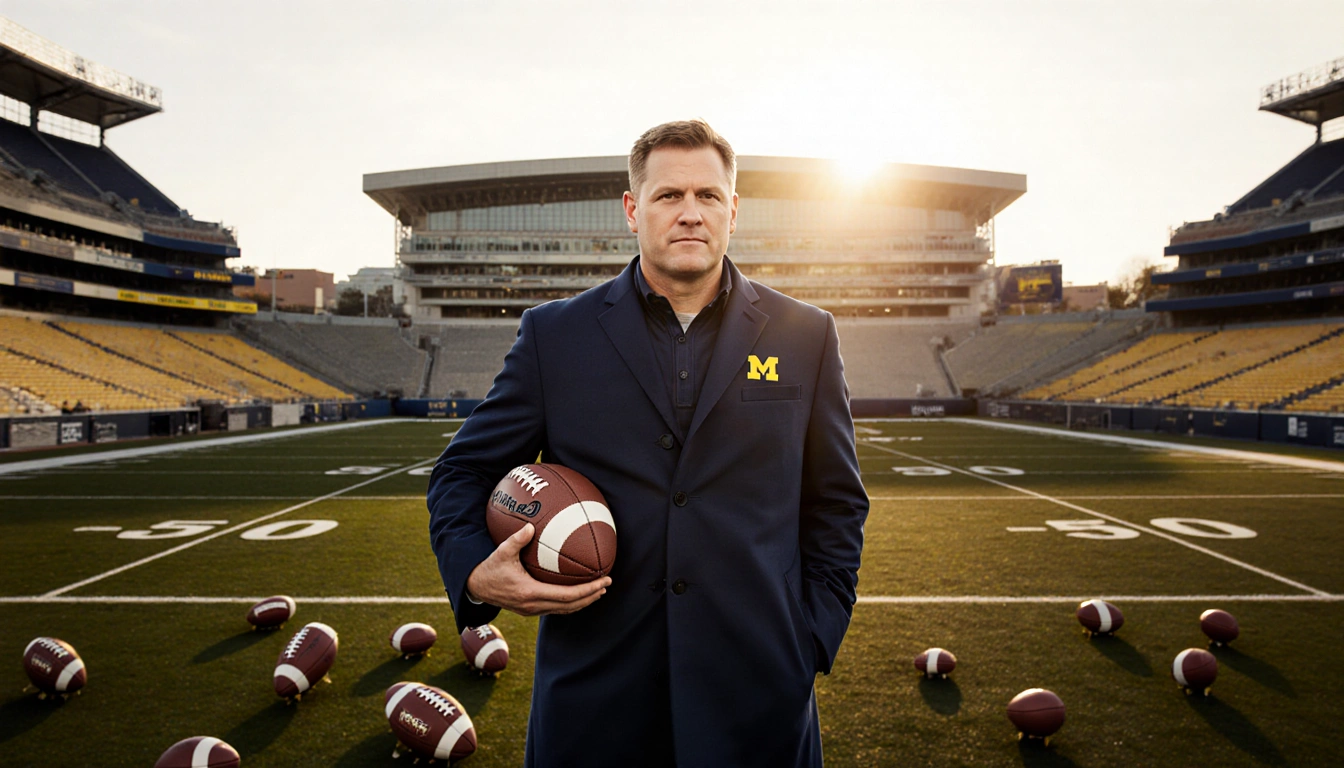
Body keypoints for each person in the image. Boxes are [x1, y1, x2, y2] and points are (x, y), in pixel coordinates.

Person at [427, 119, 868, 767]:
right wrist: (474, 569)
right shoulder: (556, 336)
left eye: (708, 197)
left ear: (733, 210)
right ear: (633, 210)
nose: (690, 214)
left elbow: (836, 502)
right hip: (595, 703)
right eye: (668, 196)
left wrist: (811, 639)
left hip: (759, 697)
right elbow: (463, 472)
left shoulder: (806, 334)